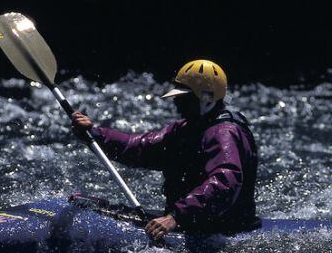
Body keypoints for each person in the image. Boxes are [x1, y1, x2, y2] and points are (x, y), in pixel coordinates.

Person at [71, 59, 260, 240]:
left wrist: (175, 217)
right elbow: (140, 147)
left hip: (219, 230)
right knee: (86, 205)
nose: (176, 102)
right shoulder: (184, 129)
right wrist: (95, 134)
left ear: (206, 99)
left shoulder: (225, 133)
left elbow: (225, 182)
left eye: (183, 98)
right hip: (188, 222)